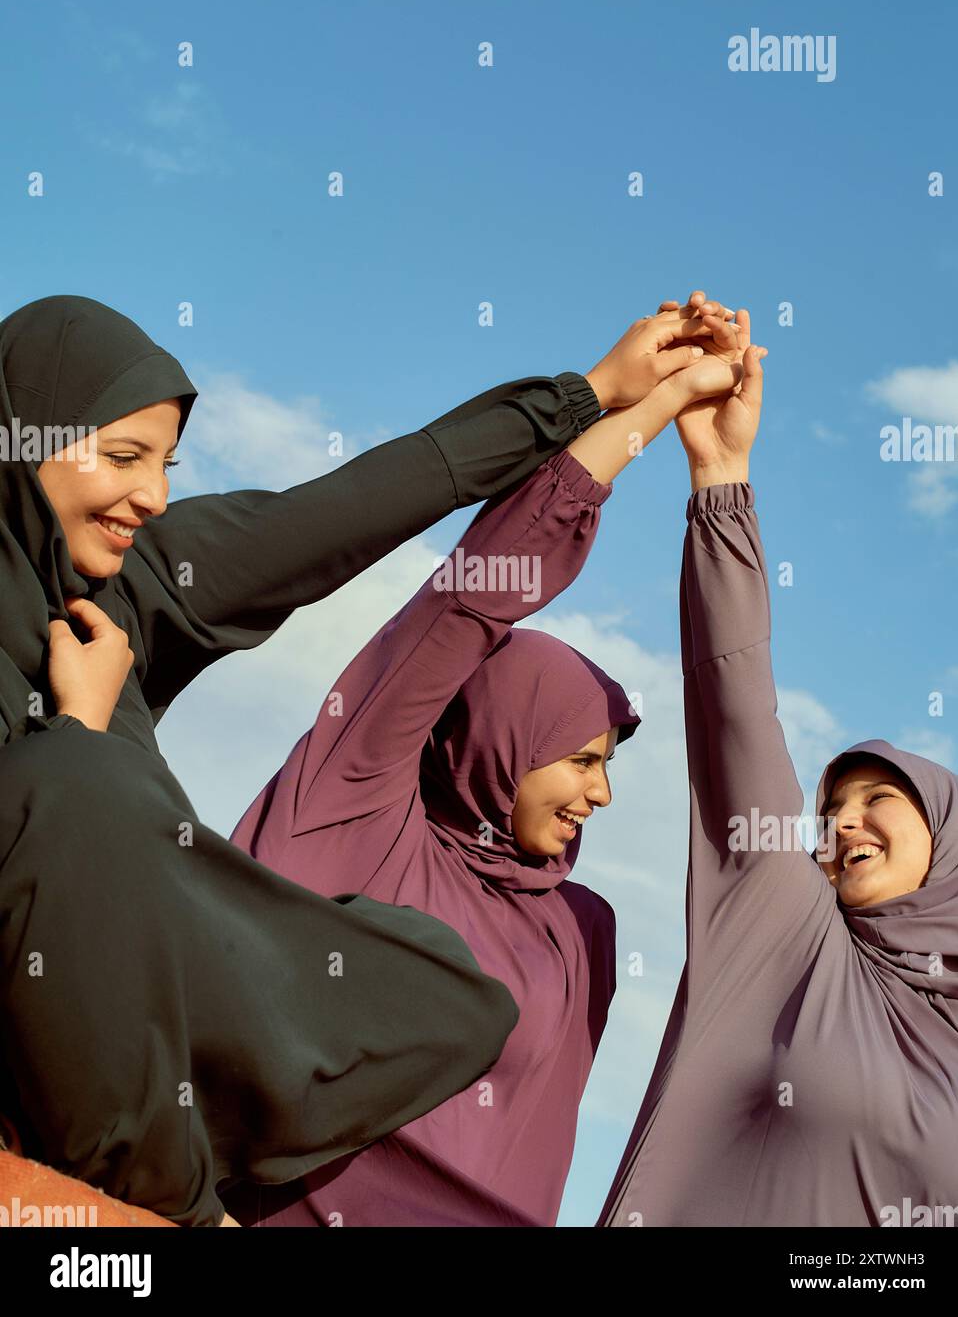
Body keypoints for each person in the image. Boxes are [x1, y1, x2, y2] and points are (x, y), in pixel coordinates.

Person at [0, 288, 632, 1227]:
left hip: (148, 1004)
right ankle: (177, 1197)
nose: (154, 496)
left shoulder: (129, 587)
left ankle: (186, 1152)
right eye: (123, 457)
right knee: (75, 781)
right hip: (36, 1001)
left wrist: (595, 395)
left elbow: (351, 507)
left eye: (166, 465)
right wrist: (80, 736)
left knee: (450, 989)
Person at [221, 297, 748, 1227]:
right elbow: (464, 604)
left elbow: (534, 1155)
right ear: (502, 741)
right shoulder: (356, 812)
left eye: (607, 765)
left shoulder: (579, 928)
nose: (601, 793)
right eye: (578, 760)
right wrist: (646, 411)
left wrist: (725, 472)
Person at [598, 315, 958, 1227]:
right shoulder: (793, 934)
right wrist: (720, 478)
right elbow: (735, 711)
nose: (841, 822)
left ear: (955, 843)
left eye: (877, 799)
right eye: (830, 808)